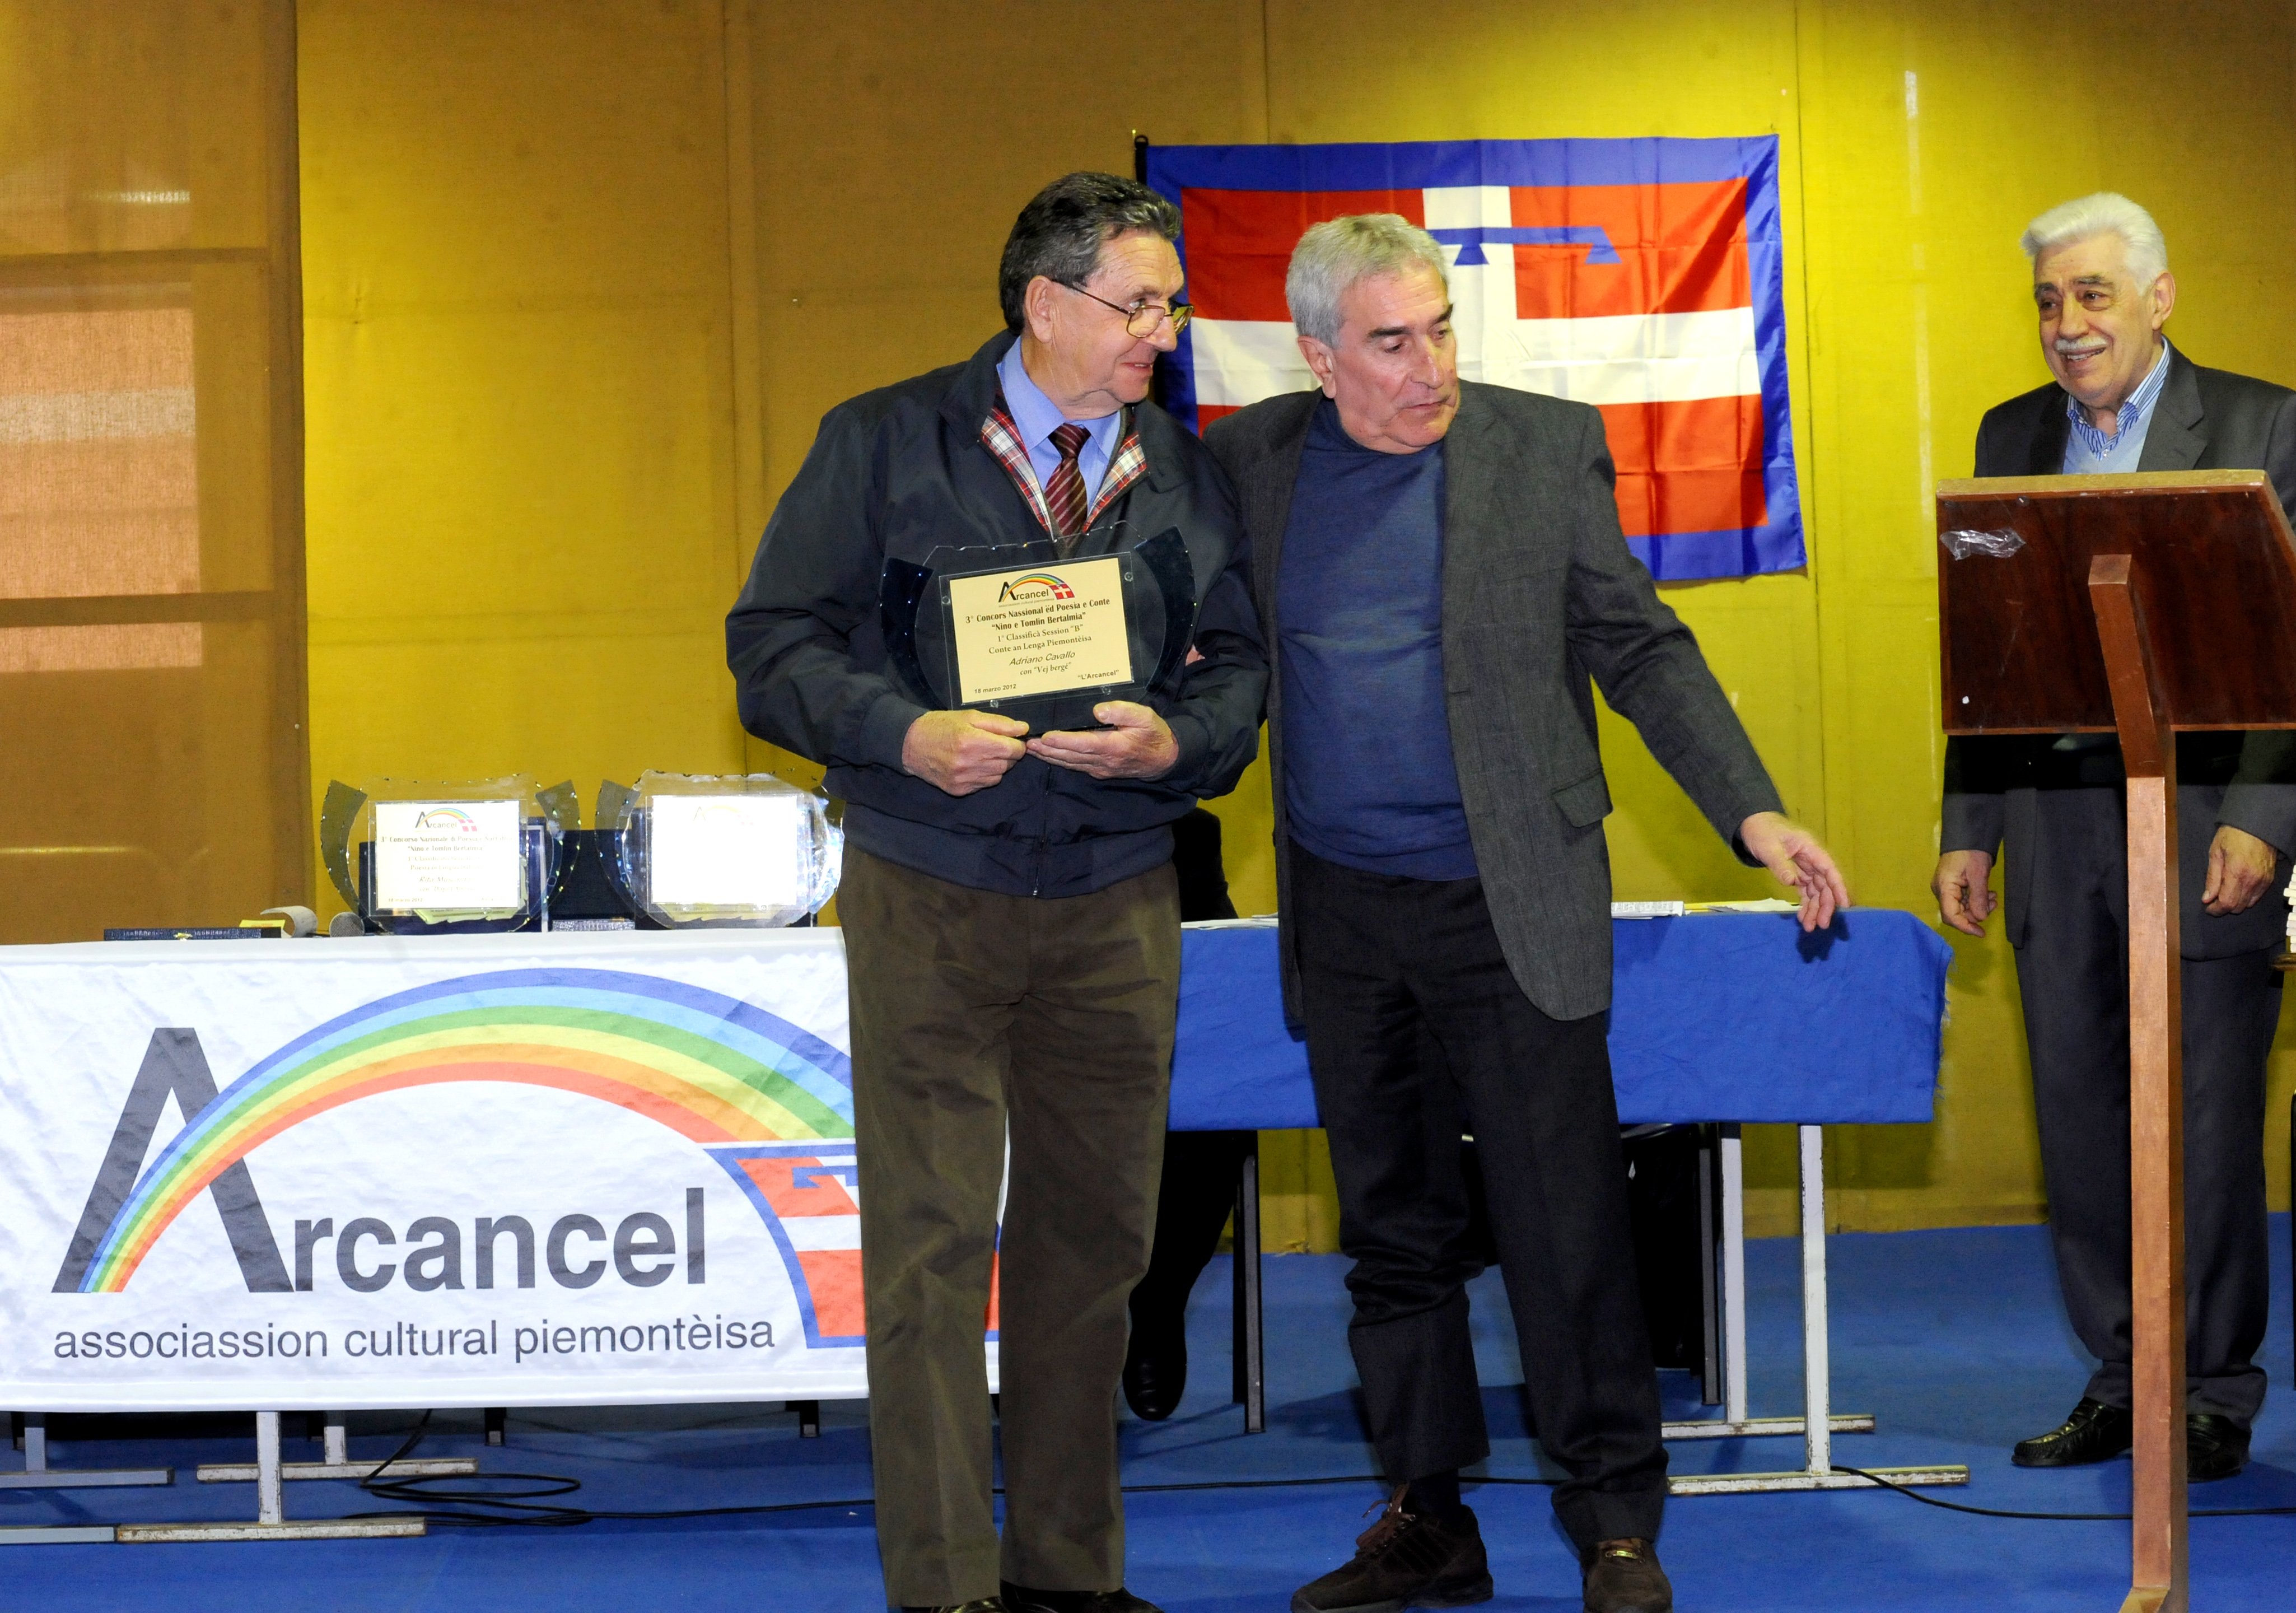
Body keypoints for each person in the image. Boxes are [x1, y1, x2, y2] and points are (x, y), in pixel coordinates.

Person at [1203, 215, 1848, 1613]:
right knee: (1394, 1237)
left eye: (1440, 329)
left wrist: (1754, 814)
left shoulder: (1542, 448)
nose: (1429, 366)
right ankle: (1426, 1520)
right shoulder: (1250, 461)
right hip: (1345, 909)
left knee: (1566, 1228)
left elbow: (1638, 644)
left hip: (1511, 902)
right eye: (1390, 343)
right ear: (1318, 357)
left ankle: (1615, 1522)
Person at [725, 171, 1268, 1613]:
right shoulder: (882, 440)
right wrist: (900, 733)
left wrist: (1179, 744)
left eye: (1171, 306)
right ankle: (946, 1586)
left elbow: (1237, 667)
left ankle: (1068, 1578)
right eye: (1139, 305)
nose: (1164, 332)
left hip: (1119, 894)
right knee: (929, 1246)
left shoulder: (1185, 468)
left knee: (1095, 1248)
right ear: (1045, 302)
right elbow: (770, 645)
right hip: (930, 889)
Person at [1933, 192, 2296, 1485]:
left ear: (2158, 297)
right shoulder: (2010, 434)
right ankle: (2121, 1377)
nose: (2067, 323)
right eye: (2047, 300)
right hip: (2055, 823)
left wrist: (2263, 818)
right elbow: (1988, 643)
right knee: (2082, 1120)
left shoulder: (2263, 426)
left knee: (2203, 1123)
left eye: (2091, 294)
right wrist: (1969, 823)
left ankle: (2208, 1390)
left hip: (2206, 823)